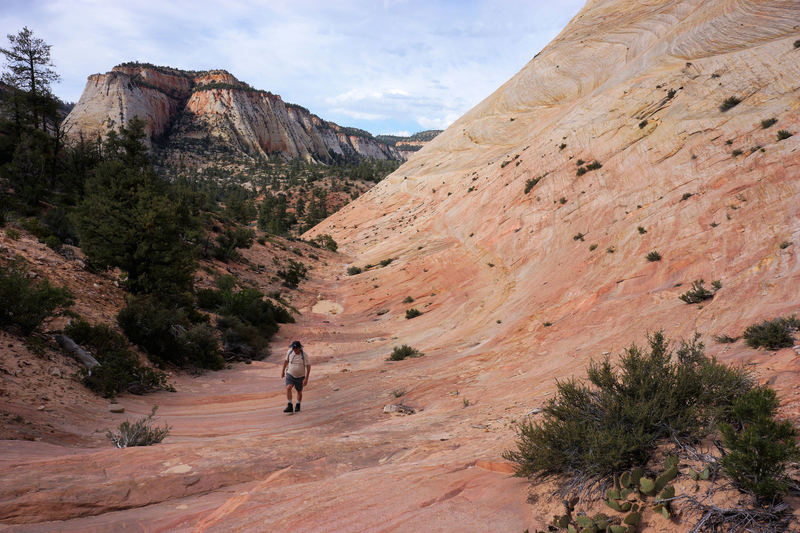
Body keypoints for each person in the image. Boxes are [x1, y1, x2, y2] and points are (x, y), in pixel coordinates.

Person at [281, 340, 310, 413]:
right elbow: (286, 361)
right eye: (293, 348)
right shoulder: (289, 352)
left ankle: (298, 404)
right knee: (288, 387)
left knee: (299, 391)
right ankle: (290, 405)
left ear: (299, 348)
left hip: (300, 376)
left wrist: (306, 378)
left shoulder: (304, 355)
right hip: (290, 374)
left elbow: (308, 366)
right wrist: (283, 371)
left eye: (296, 348)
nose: (294, 350)